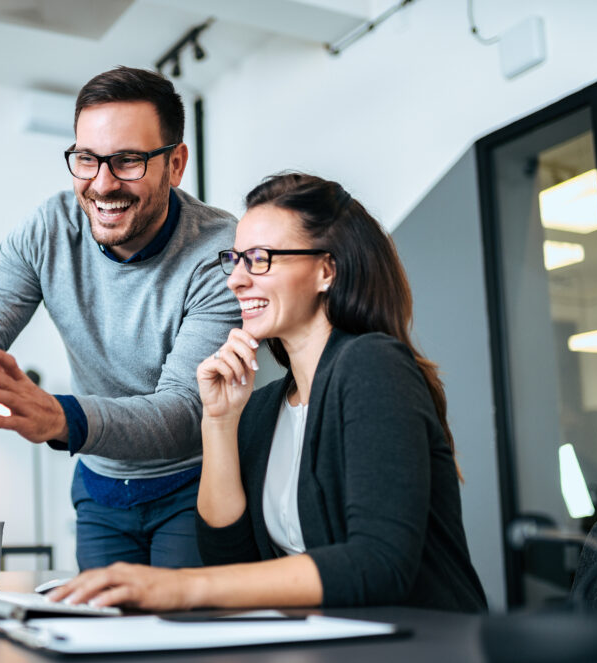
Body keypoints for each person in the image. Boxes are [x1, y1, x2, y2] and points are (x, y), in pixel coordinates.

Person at [0, 67, 240, 570]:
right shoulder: (49, 230)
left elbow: (185, 412)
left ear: (175, 164)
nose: (103, 183)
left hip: (195, 484)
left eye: (129, 161)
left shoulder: (223, 254)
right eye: (87, 159)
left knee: (183, 643)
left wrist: (63, 417)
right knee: (103, 638)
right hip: (99, 488)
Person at [47, 172, 488, 612]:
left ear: (325, 270)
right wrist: (218, 421)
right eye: (235, 259)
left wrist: (181, 587)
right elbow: (230, 559)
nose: (235, 280)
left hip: (424, 652)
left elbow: (378, 564)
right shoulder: (262, 408)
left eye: (259, 258)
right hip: (330, 651)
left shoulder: (373, 365)